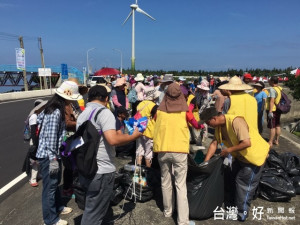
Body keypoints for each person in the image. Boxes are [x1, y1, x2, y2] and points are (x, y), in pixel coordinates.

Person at [77, 85, 141, 225]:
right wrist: (135, 135)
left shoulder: (83, 113)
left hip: (86, 167)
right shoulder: (104, 113)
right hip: (101, 170)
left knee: (91, 206)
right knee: (94, 213)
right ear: (106, 99)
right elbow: (113, 140)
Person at [201, 107, 269, 221]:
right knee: (231, 177)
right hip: (241, 156)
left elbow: (247, 143)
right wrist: (205, 162)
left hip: (254, 157)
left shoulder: (236, 122)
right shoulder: (219, 127)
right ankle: (232, 206)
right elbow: (213, 144)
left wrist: (229, 150)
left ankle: (241, 214)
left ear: (214, 118)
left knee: (244, 184)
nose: (208, 125)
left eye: (208, 122)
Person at [36, 81, 81, 225]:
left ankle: (58, 207)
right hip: (49, 155)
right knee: (49, 188)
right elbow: (50, 138)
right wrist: (53, 159)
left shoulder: (54, 108)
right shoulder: (55, 111)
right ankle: (50, 220)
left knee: (54, 184)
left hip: (54, 153)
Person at [153, 83, 195, 225]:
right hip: (180, 150)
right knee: (180, 185)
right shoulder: (185, 111)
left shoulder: (159, 111)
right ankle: (182, 220)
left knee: (165, 181)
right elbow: (195, 123)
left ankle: (167, 211)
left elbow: (153, 123)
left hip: (163, 149)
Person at [25, 99, 47, 187]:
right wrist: (35, 144)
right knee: (33, 160)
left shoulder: (39, 115)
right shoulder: (34, 116)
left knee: (38, 159)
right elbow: (33, 131)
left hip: (38, 140)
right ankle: (32, 179)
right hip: (34, 140)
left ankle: (37, 175)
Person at [136, 87, 160, 167]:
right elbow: (157, 118)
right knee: (148, 152)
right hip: (149, 130)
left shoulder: (140, 103)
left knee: (140, 149)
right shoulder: (154, 106)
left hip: (139, 128)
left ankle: (138, 169)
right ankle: (148, 170)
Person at [266, 76, 282, 147]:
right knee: (277, 125)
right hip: (278, 109)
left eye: (269, 80)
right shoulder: (279, 88)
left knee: (272, 126)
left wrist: (270, 111)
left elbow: (272, 101)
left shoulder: (272, 90)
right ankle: (277, 140)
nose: (268, 81)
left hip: (273, 110)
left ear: (272, 82)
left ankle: (270, 142)